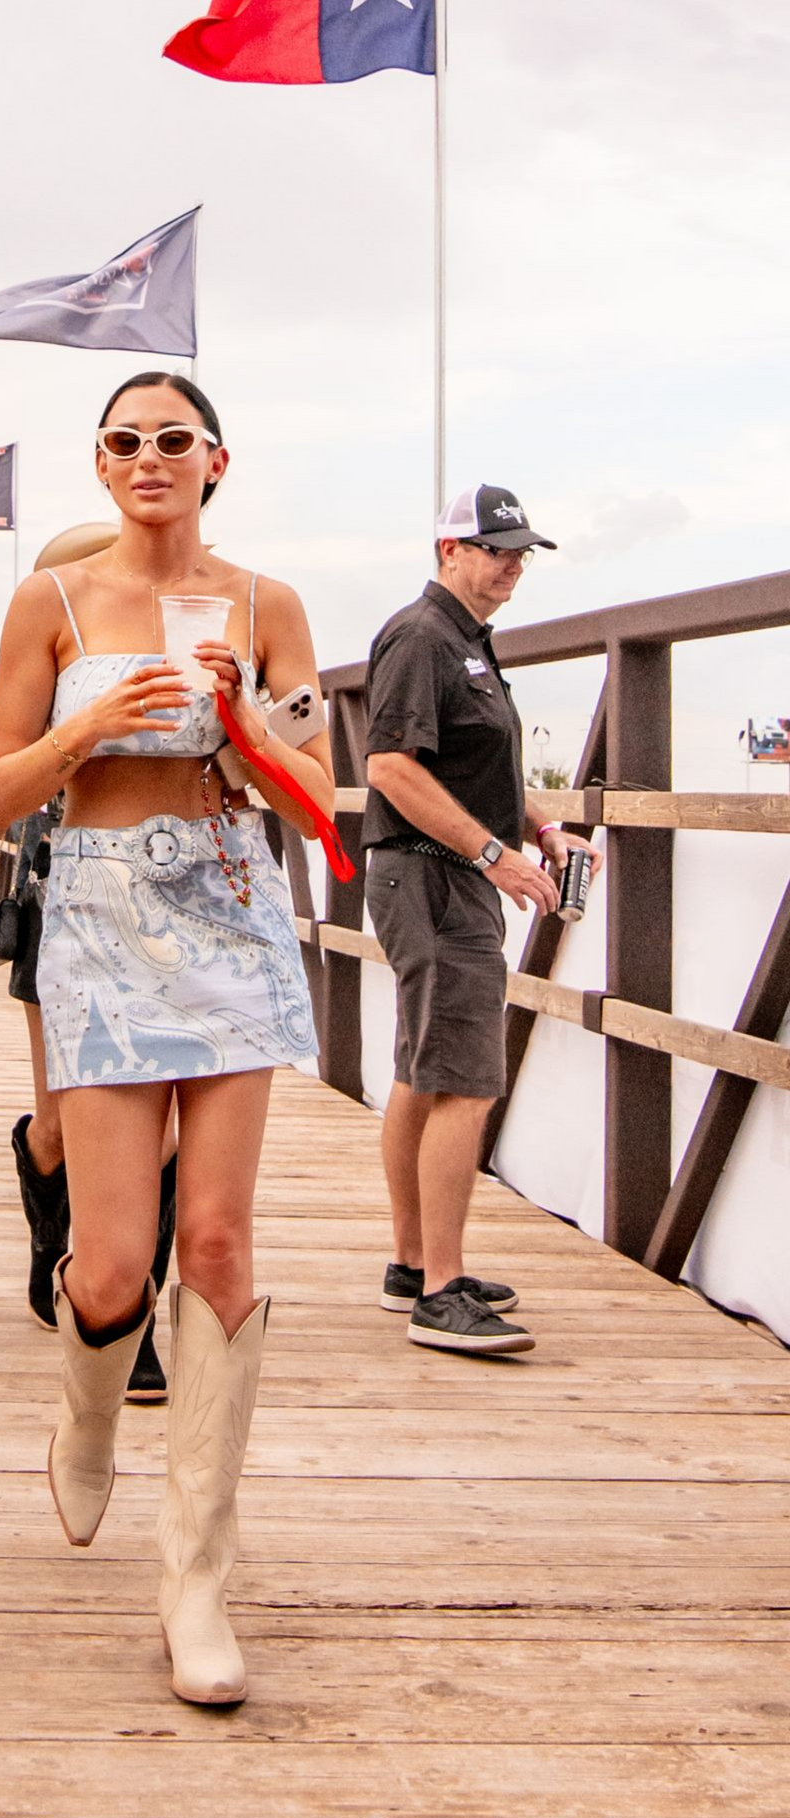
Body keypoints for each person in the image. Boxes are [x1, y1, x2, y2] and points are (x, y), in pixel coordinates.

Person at [0, 372, 329, 1706]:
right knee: (113, 1260)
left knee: (221, 1242)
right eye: (124, 441)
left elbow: (312, 798)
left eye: (172, 439)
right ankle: (86, 1403)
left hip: (234, 909)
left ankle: (197, 1579)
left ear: (215, 459)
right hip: (107, 914)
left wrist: (246, 722)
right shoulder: (52, 604)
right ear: (101, 462)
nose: (147, 458)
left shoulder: (267, 604)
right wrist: (82, 729)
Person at [362, 484, 600, 1355]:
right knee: (464, 1081)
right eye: (496, 548)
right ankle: (441, 1292)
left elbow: (474, 765)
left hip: (436, 876)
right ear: (447, 551)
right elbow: (389, 765)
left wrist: (539, 827)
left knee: (425, 1073)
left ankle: (411, 1264)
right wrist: (493, 855)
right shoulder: (423, 636)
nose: (512, 564)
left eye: (520, 551)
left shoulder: (465, 643)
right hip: (432, 877)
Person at [0, 525, 175, 1405]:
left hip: (168, 910)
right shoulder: (47, 656)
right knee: (66, 1121)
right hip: (58, 892)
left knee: (161, 1132)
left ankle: (135, 1320)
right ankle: (48, 1220)